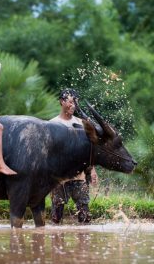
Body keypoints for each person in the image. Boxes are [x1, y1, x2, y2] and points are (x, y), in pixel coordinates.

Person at [50, 88, 98, 223]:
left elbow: (89, 150)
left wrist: (92, 169)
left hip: (80, 176)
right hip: (59, 179)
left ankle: (84, 243)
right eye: (70, 102)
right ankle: (56, 241)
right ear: (61, 102)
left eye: (75, 103)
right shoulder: (52, 124)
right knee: (56, 217)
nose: (73, 105)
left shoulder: (82, 124)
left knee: (85, 216)